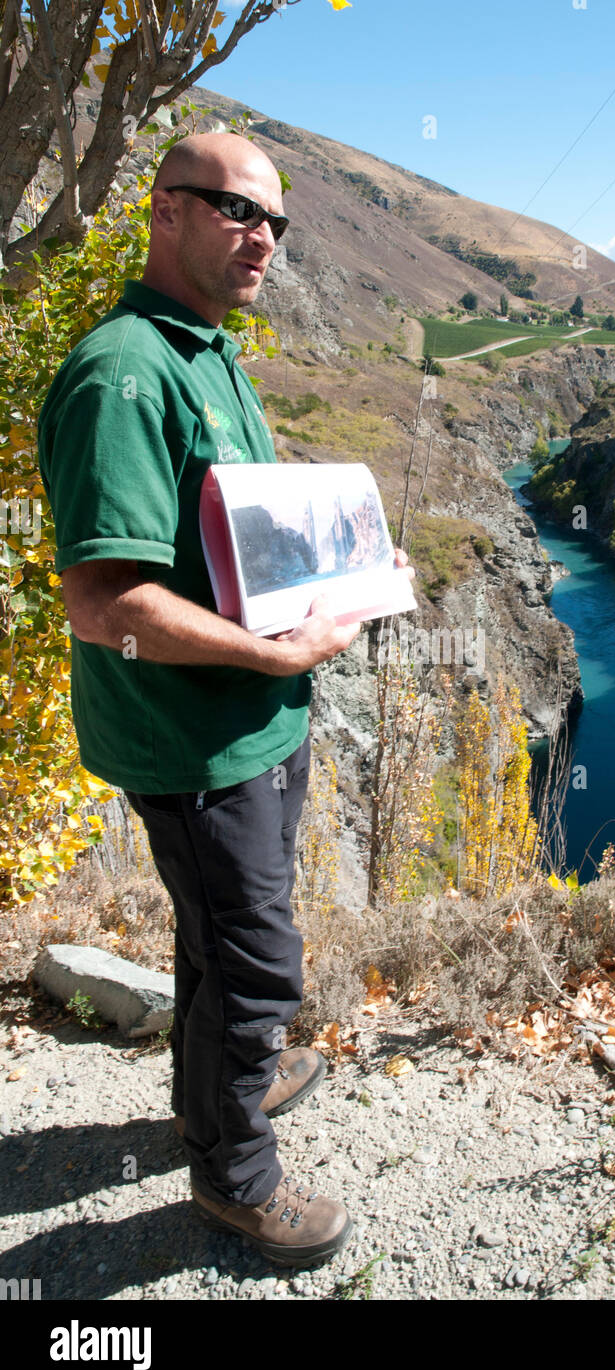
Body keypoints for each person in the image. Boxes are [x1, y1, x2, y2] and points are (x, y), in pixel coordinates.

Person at [37, 131, 414, 1268]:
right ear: (163, 211)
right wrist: (271, 659)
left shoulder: (206, 351)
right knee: (256, 960)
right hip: (197, 737)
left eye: (276, 223)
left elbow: (236, 544)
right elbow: (107, 603)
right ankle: (233, 1178)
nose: (264, 239)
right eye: (236, 211)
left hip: (255, 724)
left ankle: (216, 1093)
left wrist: (346, 577)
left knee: (217, 945)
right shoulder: (124, 372)